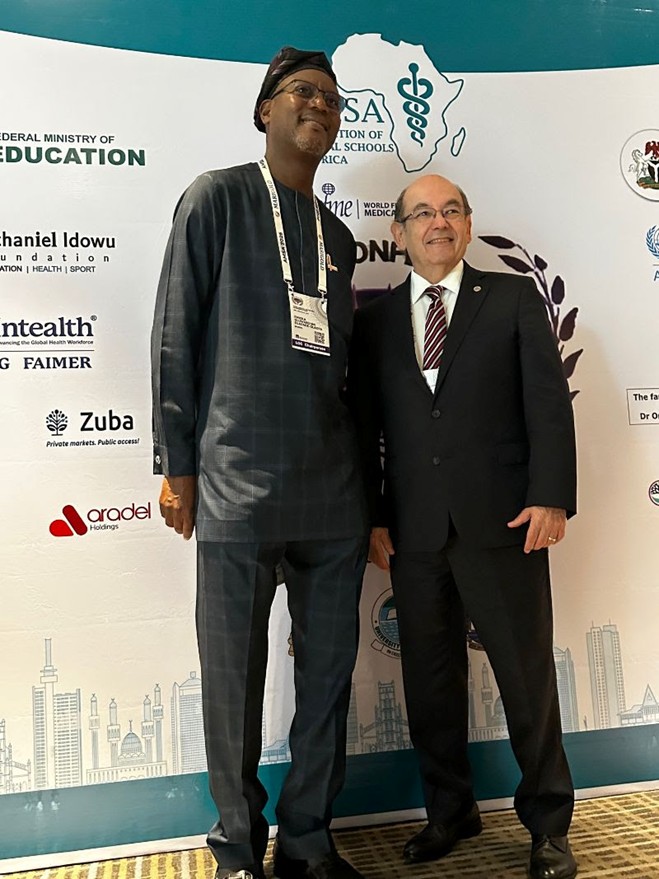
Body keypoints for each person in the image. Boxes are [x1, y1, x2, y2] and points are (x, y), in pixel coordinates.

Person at [151, 47, 368, 879]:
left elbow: (345, 373)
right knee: (232, 681)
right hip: (236, 484)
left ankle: (308, 841)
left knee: (328, 680)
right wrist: (177, 464)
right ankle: (238, 847)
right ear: (264, 110)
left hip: (333, 496)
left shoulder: (339, 239)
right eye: (302, 92)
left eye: (332, 100)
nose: (319, 107)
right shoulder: (216, 198)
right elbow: (175, 332)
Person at [348, 174, 578, 879]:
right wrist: (374, 518)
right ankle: (450, 812)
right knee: (429, 684)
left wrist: (551, 498)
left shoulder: (512, 298)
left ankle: (548, 826)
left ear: (469, 225)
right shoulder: (375, 322)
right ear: (399, 233)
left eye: (451, 210)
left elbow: (548, 405)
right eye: (422, 213)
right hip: (413, 533)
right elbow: (364, 430)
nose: (438, 223)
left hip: (505, 524)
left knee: (526, 679)